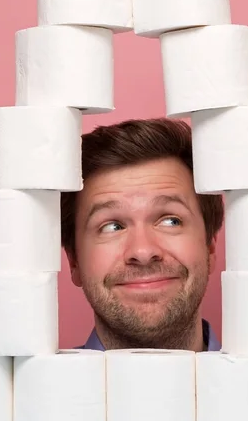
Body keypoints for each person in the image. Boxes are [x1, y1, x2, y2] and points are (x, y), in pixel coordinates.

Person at [61, 117, 224, 352]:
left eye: (170, 221)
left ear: (210, 246)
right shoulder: (19, 389)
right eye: (112, 226)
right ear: (74, 260)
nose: (143, 252)